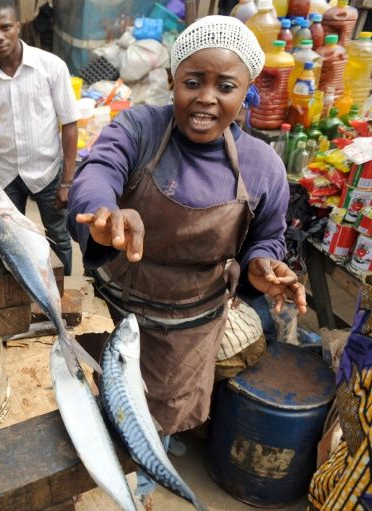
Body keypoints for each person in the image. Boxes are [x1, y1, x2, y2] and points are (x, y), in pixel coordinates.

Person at [67, 16, 307, 509]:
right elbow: (99, 170)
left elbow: (268, 235)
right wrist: (103, 211)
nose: (206, 98)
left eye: (226, 86)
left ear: (247, 90)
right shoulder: (139, 128)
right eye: (193, 82)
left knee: (159, 418)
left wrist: (262, 263)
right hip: (116, 309)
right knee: (100, 404)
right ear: (172, 79)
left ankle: (143, 484)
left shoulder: (262, 166)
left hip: (190, 326)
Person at [0, 0, 78, 275]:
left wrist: (67, 182)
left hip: (47, 171)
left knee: (58, 235)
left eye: (5, 27)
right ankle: (21, 291)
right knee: (10, 238)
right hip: (7, 174)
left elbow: (69, 124)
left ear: (18, 26)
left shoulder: (51, 67)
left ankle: (61, 291)